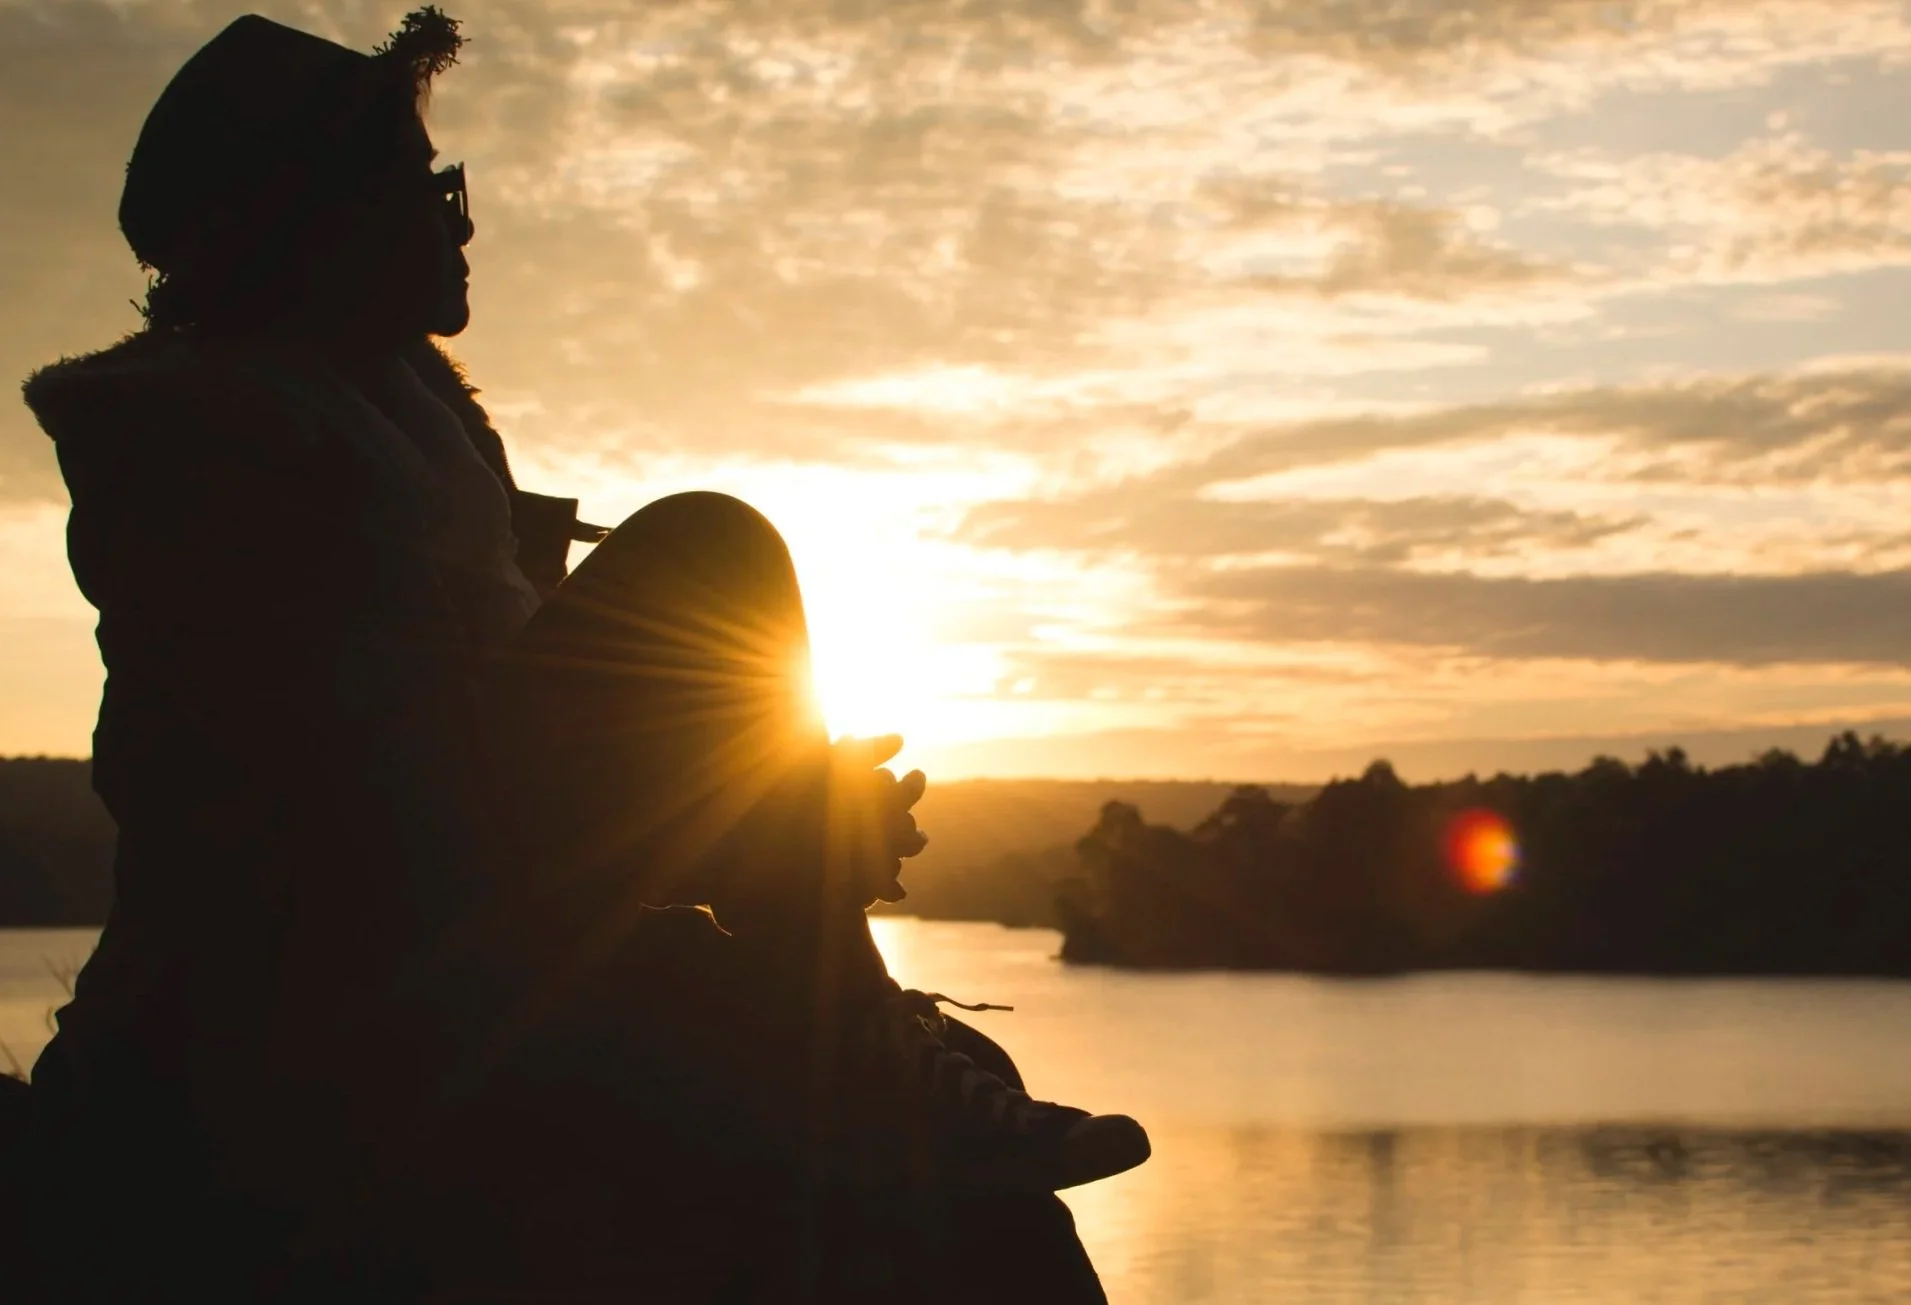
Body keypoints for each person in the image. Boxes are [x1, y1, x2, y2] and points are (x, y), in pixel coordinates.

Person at [17, 9, 1145, 1299]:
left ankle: (860, 1022)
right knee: (708, 549)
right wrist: (769, 832)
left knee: (967, 1186)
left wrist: (779, 816)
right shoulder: (216, 464)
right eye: (424, 182)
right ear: (312, 222)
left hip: (457, 958)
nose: (460, 215)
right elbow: (394, 822)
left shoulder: (391, 432)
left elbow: (515, 771)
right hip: (317, 1018)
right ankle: (856, 1026)